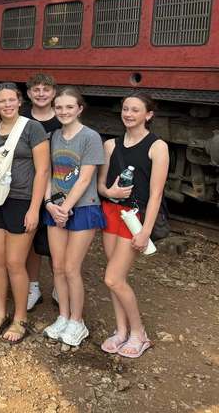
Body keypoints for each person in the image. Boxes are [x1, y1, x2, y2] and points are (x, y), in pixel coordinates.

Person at [0, 83, 49, 343]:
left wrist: (34, 209)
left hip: (21, 201)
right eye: (1, 101)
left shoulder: (32, 129)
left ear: (19, 101)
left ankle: (20, 318)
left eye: (11, 100)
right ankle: (0, 313)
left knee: (15, 263)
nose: (6, 105)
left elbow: (42, 171)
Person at [97, 92, 168, 358]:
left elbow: (156, 194)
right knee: (116, 280)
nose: (128, 114)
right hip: (110, 213)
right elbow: (101, 185)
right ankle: (120, 330)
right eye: (125, 109)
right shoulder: (111, 145)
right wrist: (109, 193)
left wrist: (146, 230)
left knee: (113, 278)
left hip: (134, 218)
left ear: (148, 115)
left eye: (135, 110)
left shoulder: (157, 146)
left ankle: (140, 334)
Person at [42, 87, 105, 347]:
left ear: (80, 109)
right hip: (55, 209)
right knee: (57, 266)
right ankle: (63, 316)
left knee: (71, 267)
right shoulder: (52, 136)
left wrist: (64, 208)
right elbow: (46, 173)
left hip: (82, 208)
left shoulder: (91, 137)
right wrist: (48, 204)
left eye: (69, 107)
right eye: (59, 107)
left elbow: (85, 178)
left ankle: (77, 321)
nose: (64, 112)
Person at [22, 73, 62, 312]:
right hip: (29, 186)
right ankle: (33, 286)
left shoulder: (62, 119)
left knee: (58, 242)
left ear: (53, 93)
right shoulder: (22, 119)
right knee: (31, 241)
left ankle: (59, 285)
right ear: (28, 94)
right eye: (35, 89)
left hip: (58, 189)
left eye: (46, 89)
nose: (40, 93)